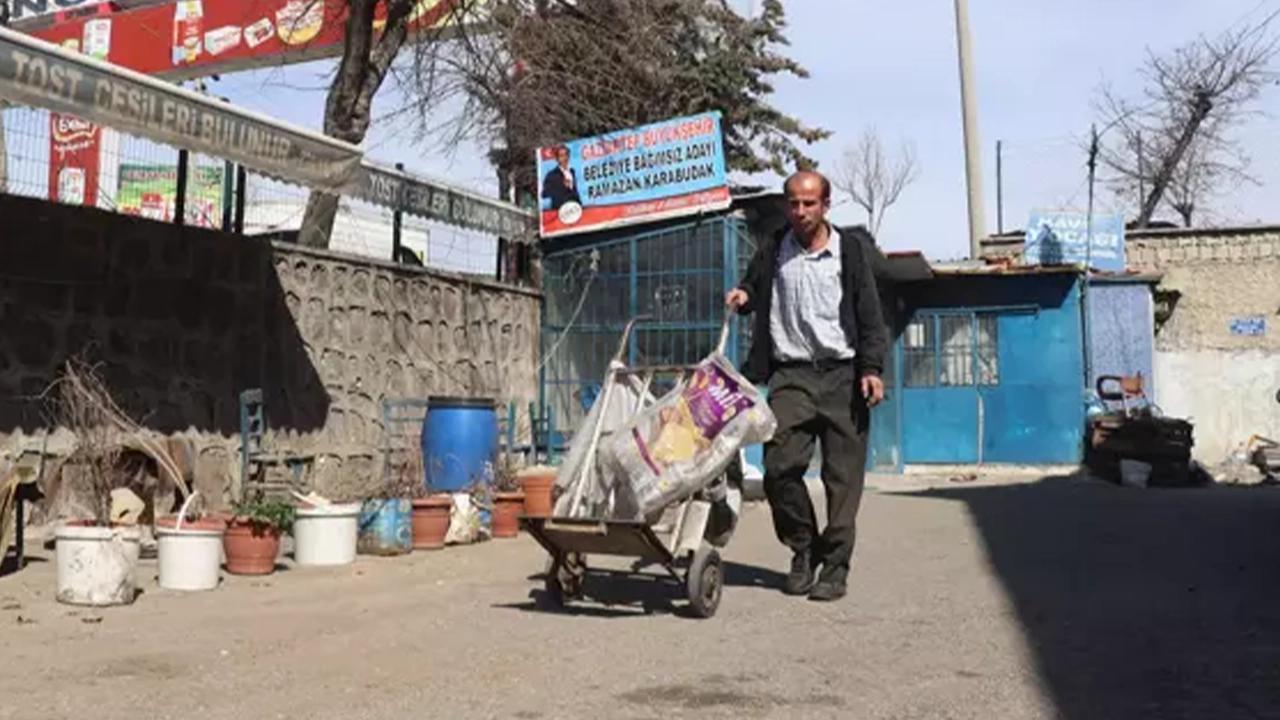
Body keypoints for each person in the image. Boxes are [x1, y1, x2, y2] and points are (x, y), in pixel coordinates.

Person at [725, 170, 889, 602]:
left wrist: (872, 369)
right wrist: (744, 295)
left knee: (843, 481)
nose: (800, 211)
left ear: (825, 205)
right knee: (779, 469)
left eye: (809, 203)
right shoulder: (775, 247)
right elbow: (754, 285)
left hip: (843, 376)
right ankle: (803, 549)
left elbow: (870, 316)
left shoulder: (849, 252)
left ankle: (835, 568)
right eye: (794, 203)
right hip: (791, 375)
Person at [541, 145, 581, 210]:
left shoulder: (572, 172)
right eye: (561, 156)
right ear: (557, 159)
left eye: (566, 155)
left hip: (574, 209)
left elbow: (574, 192)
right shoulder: (551, 175)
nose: (565, 158)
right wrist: (562, 186)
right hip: (560, 210)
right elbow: (544, 194)